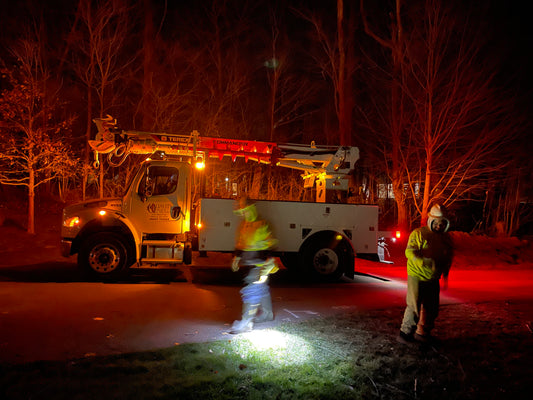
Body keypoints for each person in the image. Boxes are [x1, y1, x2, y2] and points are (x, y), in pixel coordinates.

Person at [398, 204, 454, 344]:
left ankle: (423, 332)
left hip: (433, 278)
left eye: (442, 224)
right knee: (414, 307)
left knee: (432, 308)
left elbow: (448, 257)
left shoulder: (446, 239)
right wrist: (422, 261)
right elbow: (409, 252)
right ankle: (405, 334)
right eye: (436, 223)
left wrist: (445, 274)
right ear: (431, 221)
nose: (438, 226)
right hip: (417, 275)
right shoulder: (419, 234)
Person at [230, 196, 279, 334]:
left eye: (245, 211)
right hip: (251, 264)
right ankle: (267, 314)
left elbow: (271, 244)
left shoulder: (262, 224)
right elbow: (241, 243)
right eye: (242, 212)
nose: (243, 214)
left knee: (252, 290)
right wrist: (236, 258)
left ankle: (246, 321)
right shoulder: (244, 225)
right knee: (261, 289)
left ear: (252, 209)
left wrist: (269, 262)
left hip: (261, 265)